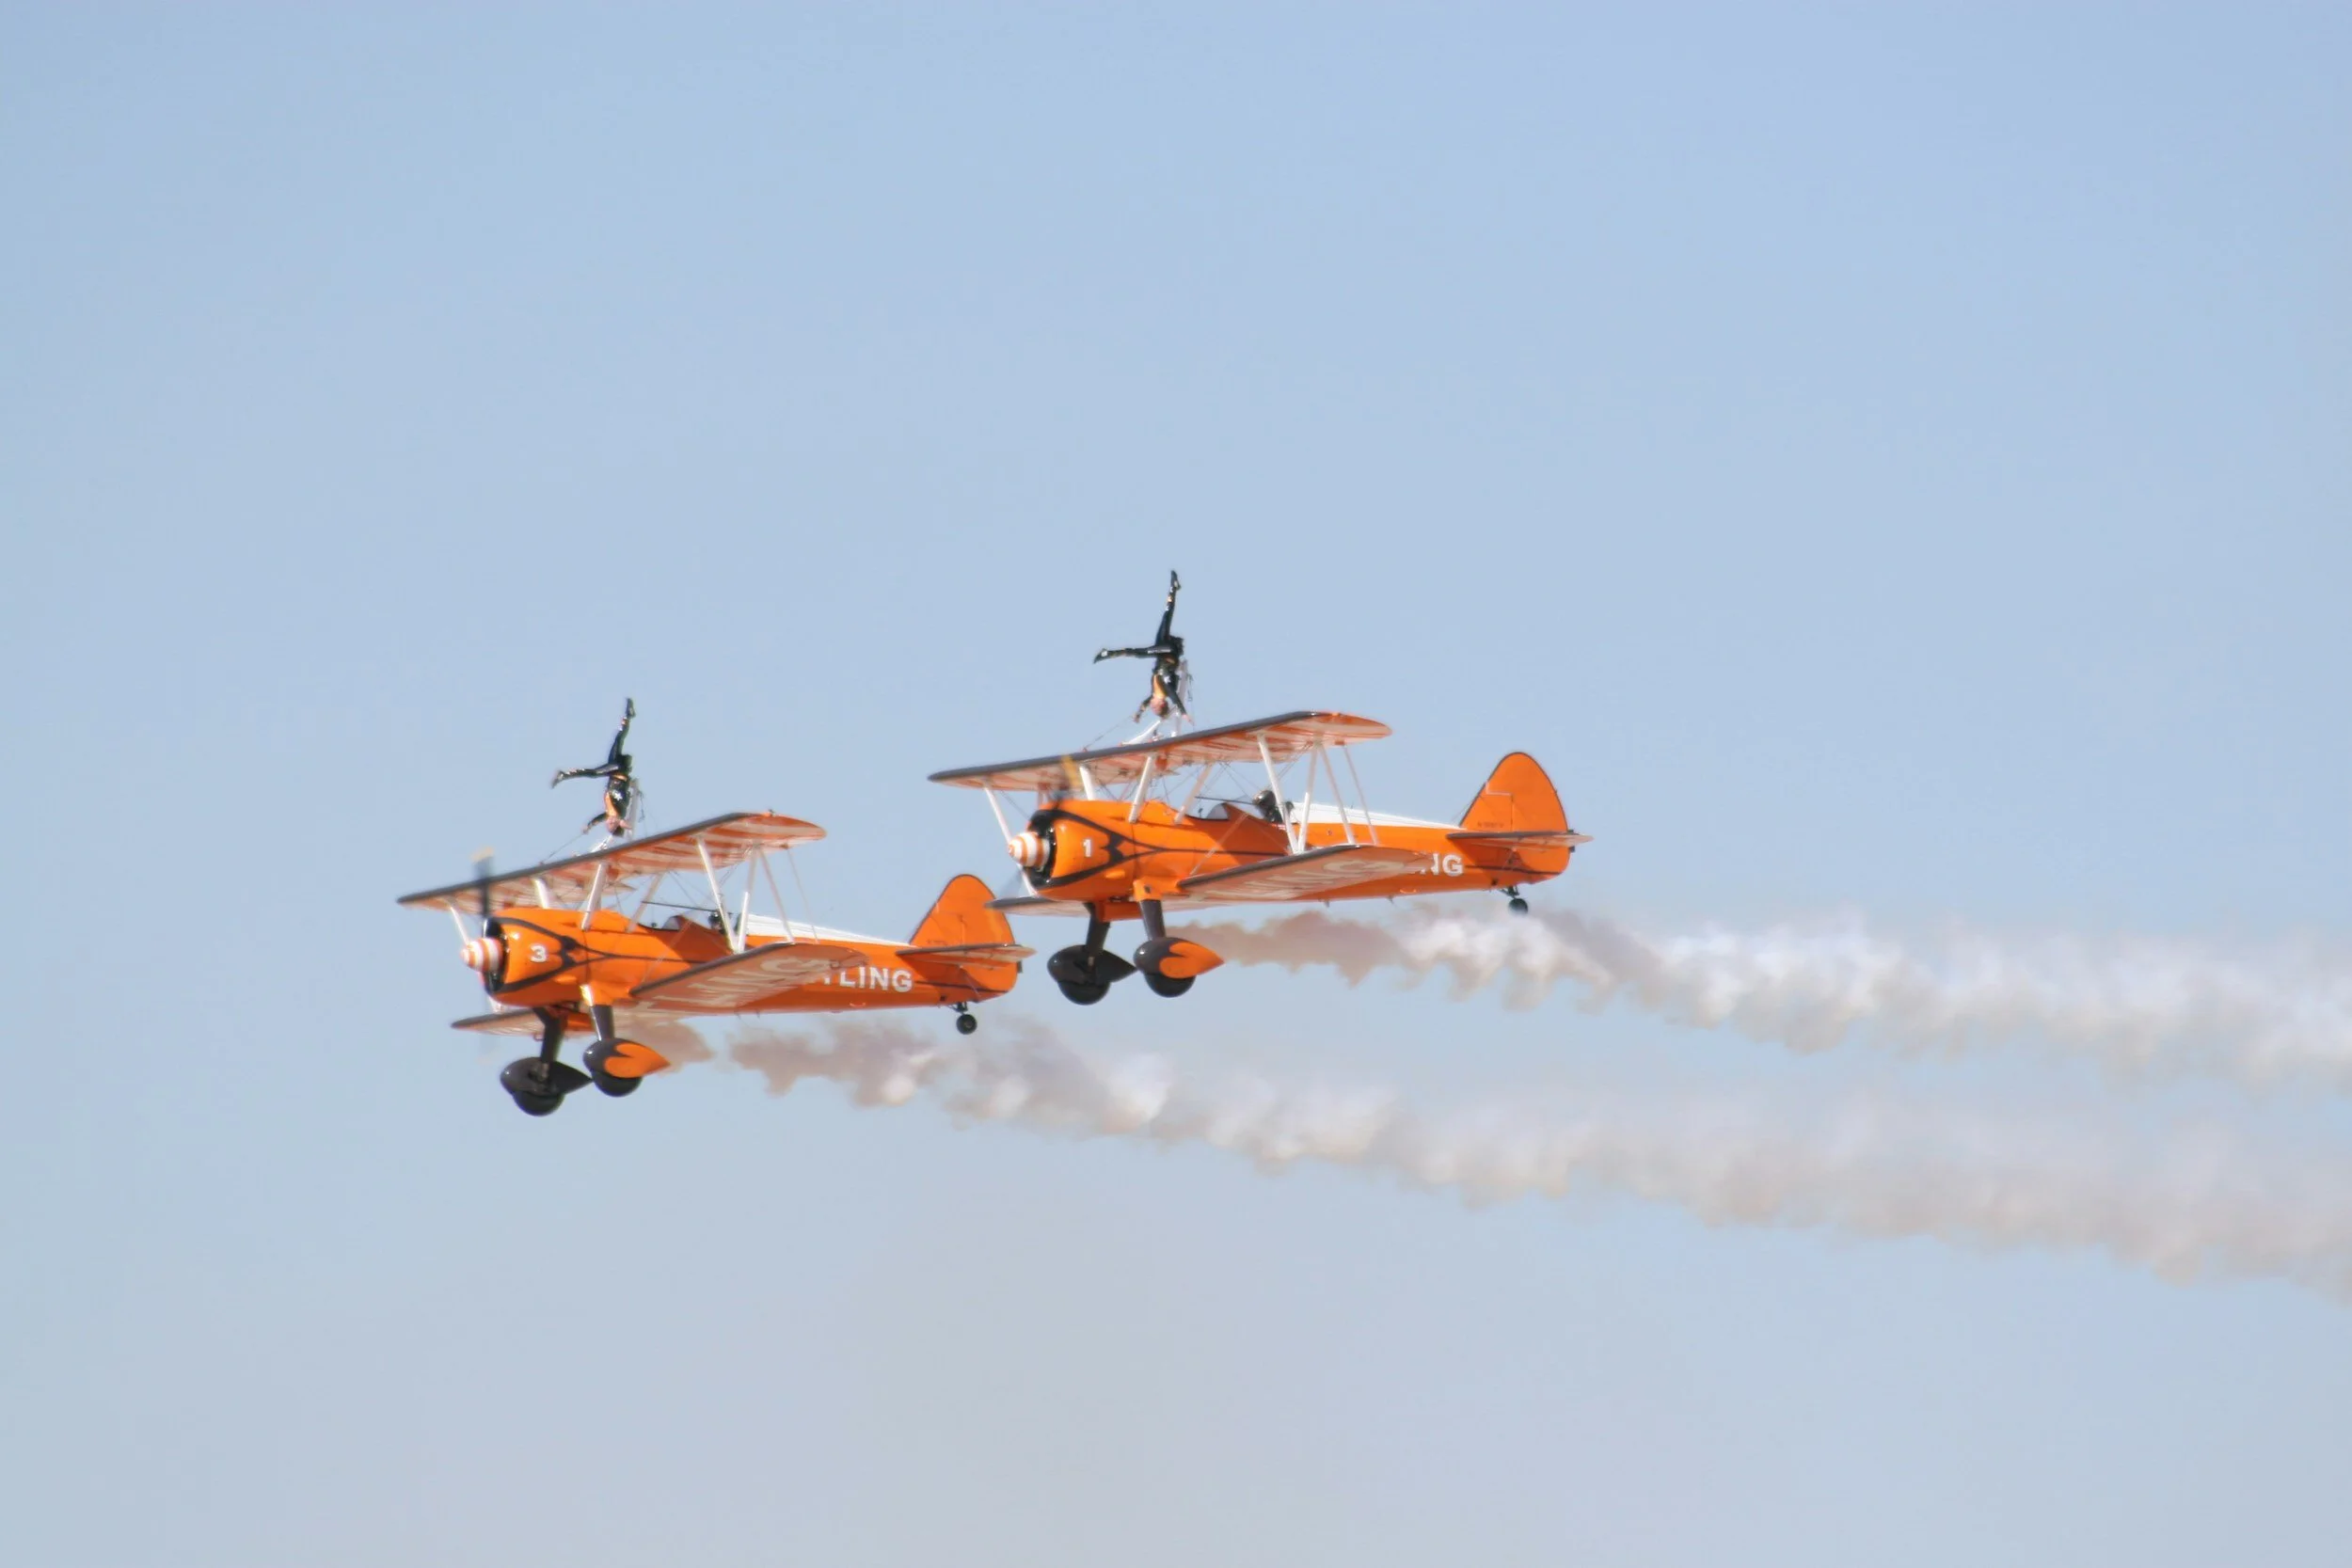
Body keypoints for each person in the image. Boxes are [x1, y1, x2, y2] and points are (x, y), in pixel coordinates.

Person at [1093, 571, 1190, 722]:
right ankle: (1108, 653)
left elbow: (1145, 703)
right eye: (1154, 707)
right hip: (1168, 652)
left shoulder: (1155, 694)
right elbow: (1174, 695)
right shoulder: (1165, 688)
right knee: (1140, 653)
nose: (1151, 706)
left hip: (1162, 651)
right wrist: (1183, 712)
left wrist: (1138, 714)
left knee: (1166, 617)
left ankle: (1173, 588)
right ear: (1161, 703)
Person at [551, 698, 638, 839]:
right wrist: (624, 825)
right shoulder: (619, 812)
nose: (607, 823)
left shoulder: (610, 813)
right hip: (618, 771)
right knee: (594, 773)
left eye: (608, 825)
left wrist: (589, 826)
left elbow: (599, 818)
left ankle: (628, 715)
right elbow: (622, 821)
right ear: (615, 824)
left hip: (614, 770)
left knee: (618, 739)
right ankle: (564, 775)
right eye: (610, 825)